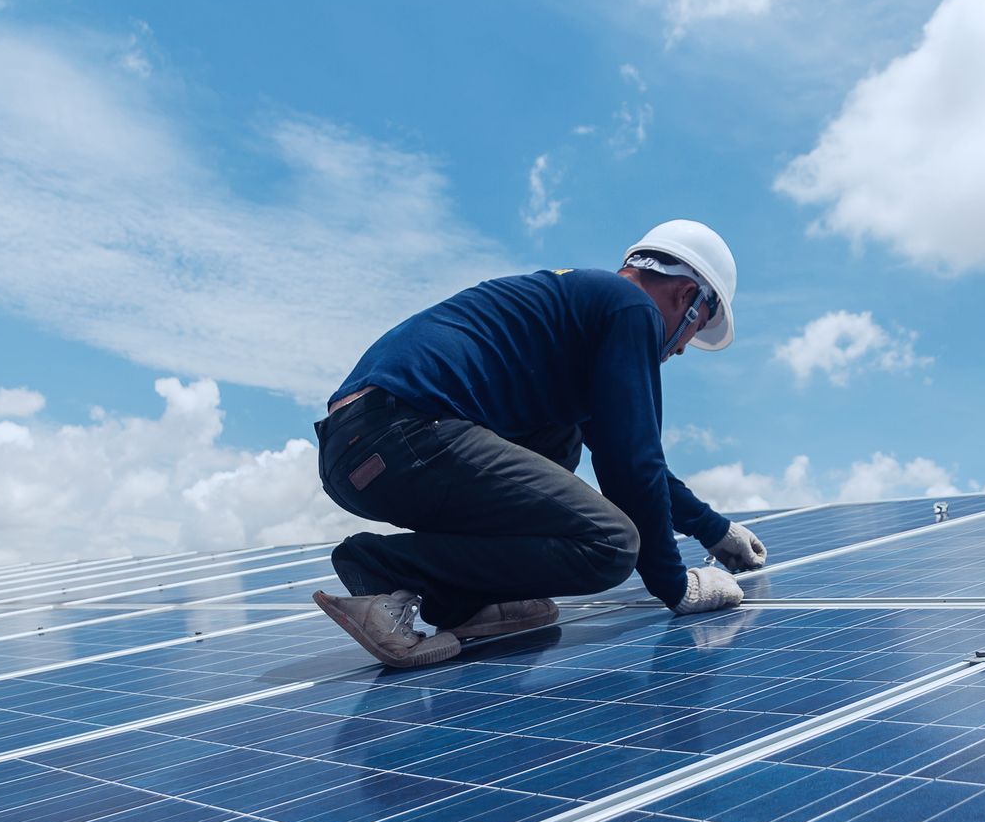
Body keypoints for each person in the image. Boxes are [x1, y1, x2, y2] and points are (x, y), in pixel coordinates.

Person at [312, 219, 768, 668]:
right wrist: (675, 585)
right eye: (695, 329)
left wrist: (714, 529)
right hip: (402, 434)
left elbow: (626, 450)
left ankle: (463, 601)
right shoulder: (633, 309)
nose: (682, 348)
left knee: (561, 435)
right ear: (686, 296)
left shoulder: (583, 308)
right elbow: (632, 464)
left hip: (362, 446)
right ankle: (385, 568)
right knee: (610, 544)